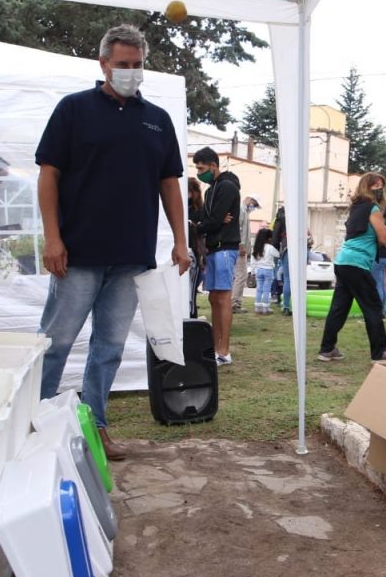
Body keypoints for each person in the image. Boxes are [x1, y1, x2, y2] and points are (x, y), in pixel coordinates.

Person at [36, 23, 190, 462]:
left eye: (138, 65)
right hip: (77, 254)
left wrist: (181, 241)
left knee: (109, 349)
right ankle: (35, 424)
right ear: (103, 63)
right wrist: (52, 238)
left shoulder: (157, 120)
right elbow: (48, 174)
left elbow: (169, 184)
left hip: (131, 257)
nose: (131, 72)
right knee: (56, 343)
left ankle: (96, 427)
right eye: (123, 64)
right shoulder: (73, 109)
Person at [317, 172, 386, 363]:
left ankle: (327, 349)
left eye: (381, 185)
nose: (380, 189)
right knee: (372, 307)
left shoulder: (355, 208)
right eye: (376, 185)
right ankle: (380, 352)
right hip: (357, 264)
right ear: (367, 187)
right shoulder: (373, 209)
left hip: (343, 261)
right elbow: (384, 239)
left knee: (339, 307)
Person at [193, 146, 241, 366]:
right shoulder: (210, 190)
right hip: (213, 249)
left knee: (222, 299)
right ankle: (215, 347)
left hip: (224, 248)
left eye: (201, 168)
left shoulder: (227, 187)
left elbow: (211, 221)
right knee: (214, 299)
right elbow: (208, 219)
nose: (199, 172)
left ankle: (224, 351)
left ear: (214, 165)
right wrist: (208, 223)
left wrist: (204, 225)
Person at [232, 194, 261, 313]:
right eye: (254, 204)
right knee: (241, 275)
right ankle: (235, 303)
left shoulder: (244, 211)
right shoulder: (241, 210)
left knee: (239, 276)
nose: (254, 207)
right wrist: (242, 245)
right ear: (249, 199)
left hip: (240, 248)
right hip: (240, 248)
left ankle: (234, 302)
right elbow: (239, 229)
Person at [187, 177, 205, 319]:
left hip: (194, 253)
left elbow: (201, 229)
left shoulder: (199, 211)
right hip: (186, 251)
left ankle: (191, 317)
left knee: (191, 293)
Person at [251, 227, 279, 314]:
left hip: (258, 270)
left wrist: (253, 271)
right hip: (268, 270)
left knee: (259, 289)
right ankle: (265, 308)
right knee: (266, 290)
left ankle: (257, 307)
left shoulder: (256, 248)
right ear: (269, 238)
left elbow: (253, 261)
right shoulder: (270, 247)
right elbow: (278, 254)